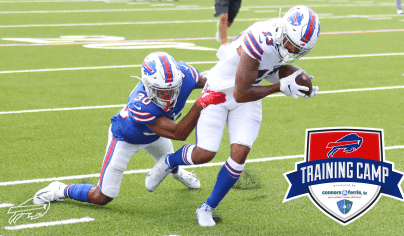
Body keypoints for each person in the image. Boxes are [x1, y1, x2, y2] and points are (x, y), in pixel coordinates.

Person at [145, 6, 321, 226]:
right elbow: (241, 92)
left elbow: (271, 68)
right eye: (290, 43)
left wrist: (297, 80)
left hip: (248, 95)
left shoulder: (283, 41)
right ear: (282, 31)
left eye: (298, 48)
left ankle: (207, 207)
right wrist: (279, 87)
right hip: (220, 91)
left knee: (241, 151)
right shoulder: (261, 38)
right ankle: (169, 161)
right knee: (205, 153)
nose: (292, 50)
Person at [33, 52, 226, 206]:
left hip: (157, 135)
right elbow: (179, 133)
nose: (168, 95)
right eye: (161, 91)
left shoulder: (186, 75)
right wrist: (200, 104)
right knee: (103, 196)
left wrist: (226, 76)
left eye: (172, 88)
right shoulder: (139, 104)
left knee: (170, 164)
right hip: (127, 137)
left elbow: (207, 80)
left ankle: (178, 173)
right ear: (148, 85)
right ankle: (60, 189)